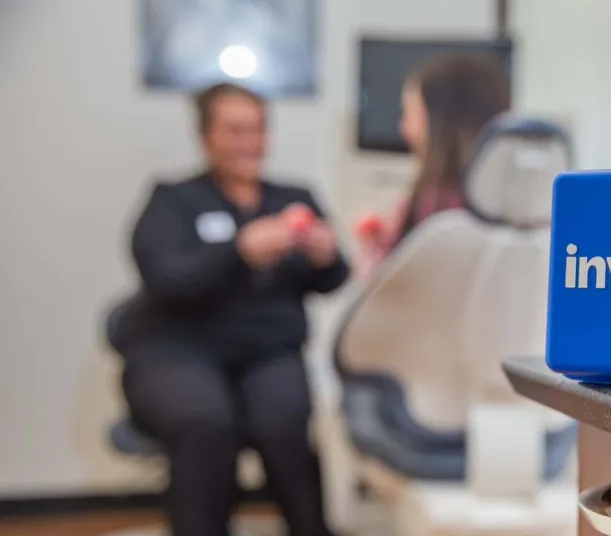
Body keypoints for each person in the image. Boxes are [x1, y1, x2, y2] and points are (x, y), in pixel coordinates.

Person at [115, 83, 347, 536]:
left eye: (259, 130)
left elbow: (330, 280)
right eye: (237, 130)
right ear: (206, 137)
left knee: (284, 420)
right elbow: (166, 281)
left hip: (268, 352)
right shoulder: (172, 200)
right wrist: (239, 252)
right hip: (178, 351)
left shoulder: (292, 199)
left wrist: (328, 256)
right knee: (205, 423)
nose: (251, 143)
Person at [354, 54, 511, 276]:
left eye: (409, 115)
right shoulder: (516, 212)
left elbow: (389, 295)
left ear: (438, 124)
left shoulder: (432, 206)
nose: (403, 129)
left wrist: (375, 257)